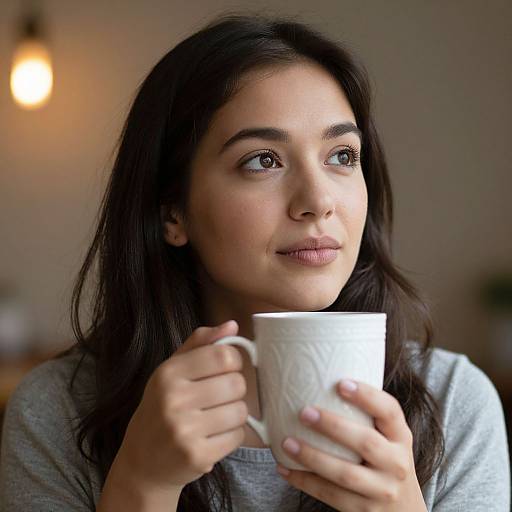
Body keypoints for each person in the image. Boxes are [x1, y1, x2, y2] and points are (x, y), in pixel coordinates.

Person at [0, 11, 509, 512]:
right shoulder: (56, 412)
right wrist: (141, 484)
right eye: (263, 160)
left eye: (341, 156)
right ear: (172, 212)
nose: (318, 200)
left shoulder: (453, 404)